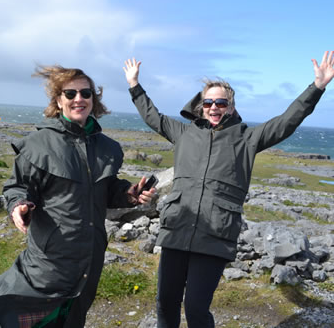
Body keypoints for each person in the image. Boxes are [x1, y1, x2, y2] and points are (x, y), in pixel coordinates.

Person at [123, 51, 334, 328]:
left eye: (220, 102)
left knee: (196, 307)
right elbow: (153, 117)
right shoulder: (184, 133)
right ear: (200, 105)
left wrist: (316, 87)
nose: (213, 107)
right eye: (208, 102)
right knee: (165, 302)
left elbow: (286, 122)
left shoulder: (247, 138)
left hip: (216, 234)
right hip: (177, 229)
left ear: (231, 107)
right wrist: (134, 86)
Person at [0, 65, 156, 328]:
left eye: (85, 93)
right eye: (70, 94)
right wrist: (18, 206)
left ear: (94, 99)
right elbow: (17, 186)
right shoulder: (39, 144)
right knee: (9, 315)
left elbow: (106, 190)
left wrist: (129, 194)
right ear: (58, 100)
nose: (78, 99)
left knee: (71, 318)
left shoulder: (108, 147)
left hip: (89, 258)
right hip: (50, 260)